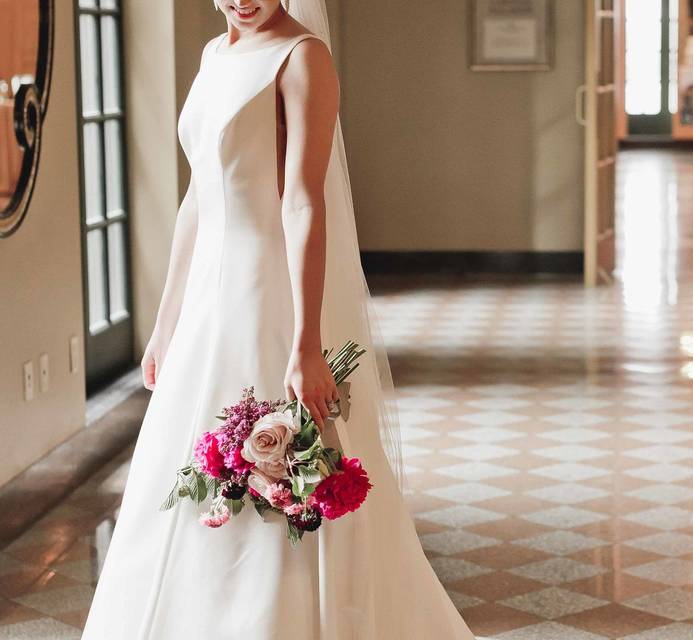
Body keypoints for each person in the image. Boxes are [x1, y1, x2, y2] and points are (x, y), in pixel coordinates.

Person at [81, 1, 475, 638]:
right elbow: (197, 199)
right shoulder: (214, 54)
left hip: (268, 294)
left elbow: (302, 202)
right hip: (209, 300)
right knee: (185, 468)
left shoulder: (302, 58)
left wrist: (305, 342)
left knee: (284, 470)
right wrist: (164, 321)